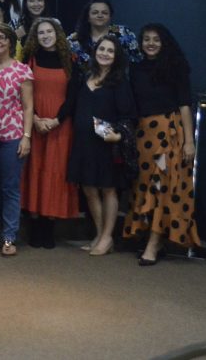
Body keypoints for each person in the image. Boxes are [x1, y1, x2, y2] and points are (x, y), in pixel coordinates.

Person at [122, 24, 200, 265]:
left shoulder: (175, 67)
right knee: (145, 186)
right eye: (146, 39)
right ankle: (152, 237)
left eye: (156, 39)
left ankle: (153, 245)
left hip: (169, 135)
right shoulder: (135, 69)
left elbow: (185, 104)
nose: (151, 43)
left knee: (162, 186)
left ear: (164, 42)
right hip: (145, 136)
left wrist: (189, 141)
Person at [62, 35, 137, 256]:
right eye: (101, 49)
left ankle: (107, 237)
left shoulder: (120, 82)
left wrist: (118, 135)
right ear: (95, 52)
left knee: (108, 189)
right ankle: (99, 233)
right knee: (89, 189)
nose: (105, 53)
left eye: (110, 51)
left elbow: (128, 116)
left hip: (106, 144)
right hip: (83, 143)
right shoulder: (85, 76)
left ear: (116, 57)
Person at [19, 18, 78, 249]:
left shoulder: (70, 60)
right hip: (33, 122)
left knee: (55, 173)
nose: (45, 35)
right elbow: (22, 93)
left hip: (59, 125)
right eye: (41, 32)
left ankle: (48, 228)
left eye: (49, 31)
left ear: (58, 34)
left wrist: (55, 121)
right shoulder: (28, 60)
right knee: (35, 172)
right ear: (35, 36)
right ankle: (35, 227)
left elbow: (73, 96)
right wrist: (34, 119)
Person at [0, 23, 34, 256]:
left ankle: (9, 236)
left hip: (13, 136)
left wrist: (26, 137)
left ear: (10, 41)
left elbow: (28, 106)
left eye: (1, 37)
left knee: (10, 187)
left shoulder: (22, 70)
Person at [67, 0, 141, 74]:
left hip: (120, 82)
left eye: (104, 13)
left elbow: (137, 59)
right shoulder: (74, 40)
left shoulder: (124, 33)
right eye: (95, 12)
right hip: (85, 84)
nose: (100, 15)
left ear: (110, 17)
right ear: (88, 17)